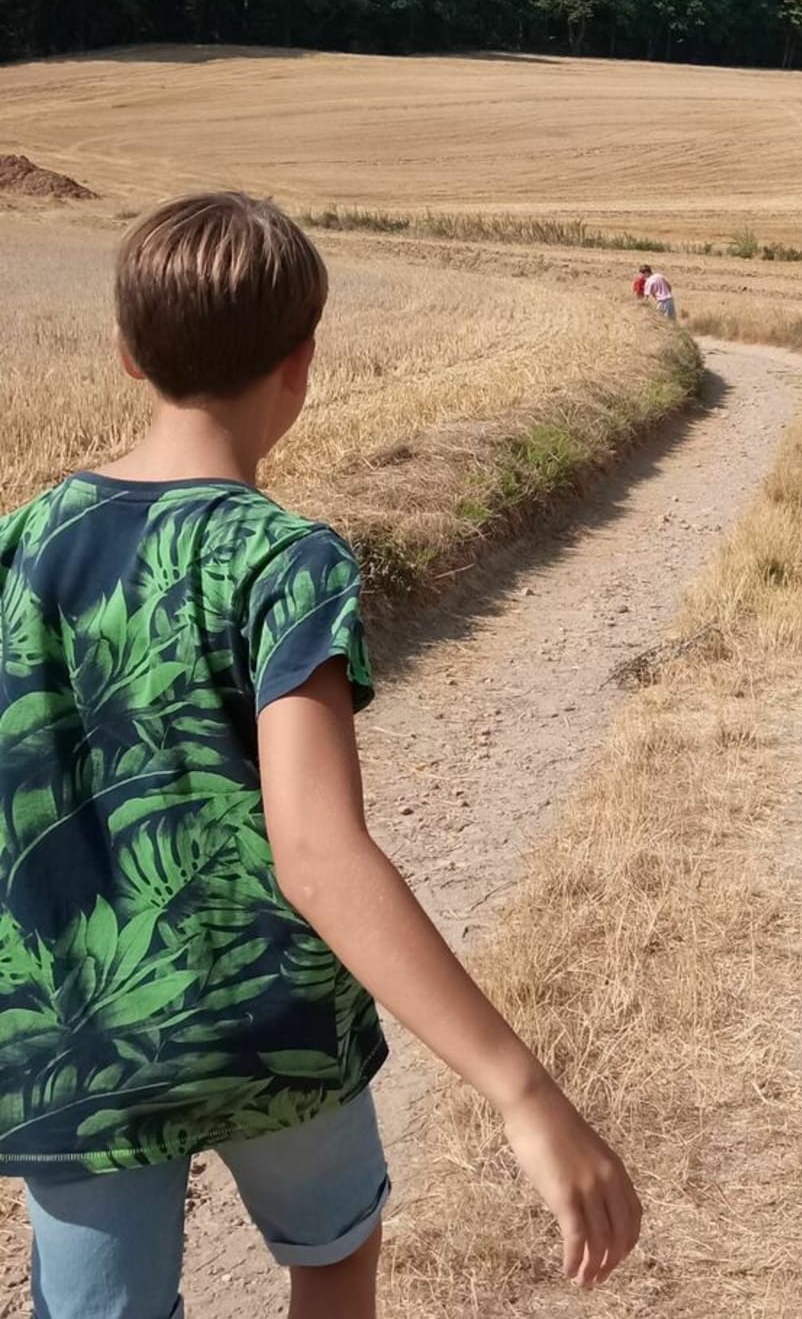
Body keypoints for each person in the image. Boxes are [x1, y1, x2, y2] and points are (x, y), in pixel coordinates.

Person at [0, 193, 641, 1319]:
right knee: (333, 1259)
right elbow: (315, 853)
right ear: (302, 366)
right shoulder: (284, 562)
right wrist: (522, 1090)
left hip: (73, 1039)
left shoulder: (23, 543)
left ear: (123, 354)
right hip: (271, 1026)